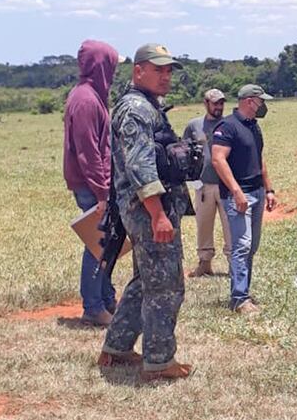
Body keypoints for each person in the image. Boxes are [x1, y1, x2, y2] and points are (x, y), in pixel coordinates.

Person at [97, 43, 192, 381]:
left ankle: (117, 348)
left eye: (169, 70)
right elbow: (140, 167)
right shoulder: (136, 109)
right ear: (139, 71)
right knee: (166, 285)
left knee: (144, 281)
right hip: (148, 211)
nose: (166, 76)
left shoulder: (146, 105)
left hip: (148, 209)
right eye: (159, 69)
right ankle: (159, 361)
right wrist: (158, 214)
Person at [63, 40, 119, 327]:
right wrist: (102, 193)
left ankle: (106, 297)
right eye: (111, 64)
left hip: (94, 185)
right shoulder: (86, 100)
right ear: (101, 65)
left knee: (107, 243)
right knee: (98, 244)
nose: (114, 72)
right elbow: (89, 153)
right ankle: (94, 306)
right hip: (91, 187)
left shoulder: (92, 95)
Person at [211, 84, 278, 315]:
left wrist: (269, 189)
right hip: (238, 196)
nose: (263, 106)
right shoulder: (227, 127)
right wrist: (237, 191)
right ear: (250, 101)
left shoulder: (254, 127)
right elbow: (218, 160)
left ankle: (244, 292)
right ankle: (239, 298)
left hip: (257, 192)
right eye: (261, 101)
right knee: (241, 246)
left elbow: (259, 159)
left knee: (251, 247)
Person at [184, 89, 231, 277]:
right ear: (206, 103)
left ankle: (233, 264)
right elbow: (185, 150)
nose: (219, 107)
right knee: (203, 224)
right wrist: (191, 177)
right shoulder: (194, 125)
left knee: (230, 226)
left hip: (226, 184)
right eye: (215, 103)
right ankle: (204, 263)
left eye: (221, 103)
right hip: (203, 185)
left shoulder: (229, 125)